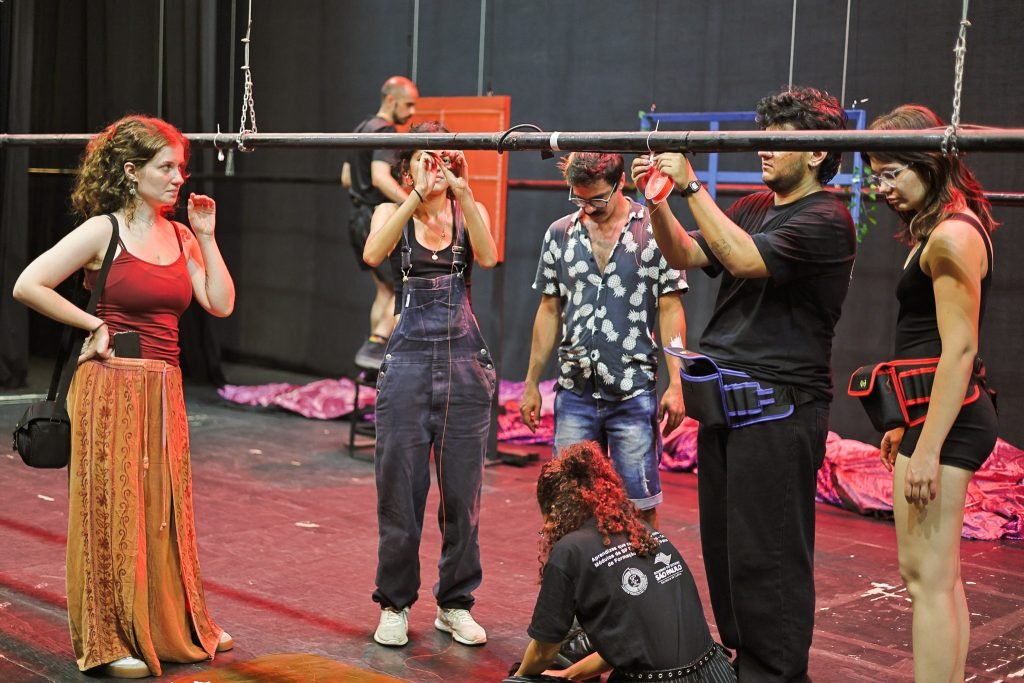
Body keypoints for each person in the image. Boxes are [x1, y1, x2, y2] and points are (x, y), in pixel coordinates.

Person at [631, 86, 856, 681]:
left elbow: (747, 260)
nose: (763, 147)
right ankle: (744, 661)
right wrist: (658, 200)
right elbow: (687, 249)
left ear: (815, 153)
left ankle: (776, 673)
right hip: (729, 406)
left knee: (770, 558)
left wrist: (692, 187)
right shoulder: (757, 204)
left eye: (780, 137)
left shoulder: (827, 217)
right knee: (728, 553)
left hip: (780, 411)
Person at [12, 115, 235, 679]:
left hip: (164, 388)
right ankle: (109, 640)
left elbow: (219, 302)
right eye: (167, 167)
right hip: (109, 387)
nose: (178, 177)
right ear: (132, 172)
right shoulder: (101, 232)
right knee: (109, 512)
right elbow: (28, 283)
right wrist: (93, 324)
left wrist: (206, 237)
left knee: (162, 511)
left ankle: (171, 625)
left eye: (180, 167)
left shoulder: (181, 235)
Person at [866, 105, 999, 682]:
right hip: (934, 415)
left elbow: (959, 351)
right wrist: (904, 423)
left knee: (924, 579)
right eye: (876, 174)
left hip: (948, 422)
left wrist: (927, 447)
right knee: (939, 580)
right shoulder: (945, 228)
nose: (882, 187)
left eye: (892, 172)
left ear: (929, 162)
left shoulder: (948, 237)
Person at [362, 120, 498, 648]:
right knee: (399, 492)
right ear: (408, 165)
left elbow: (487, 256)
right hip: (408, 369)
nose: (435, 166)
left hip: (465, 368)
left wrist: (463, 188)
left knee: (462, 497)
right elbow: (374, 254)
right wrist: (414, 194)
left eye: (443, 157)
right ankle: (394, 603)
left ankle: (456, 602)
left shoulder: (469, 213)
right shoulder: (389, 213)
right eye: (425, 157)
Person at [520, 152, 687, 528]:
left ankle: (641, 585)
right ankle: (573, 585)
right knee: (566, 506)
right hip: (574, 391)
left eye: (596, 199)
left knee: (639, 508)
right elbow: (549, 309)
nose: (588, 208)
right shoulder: (560, 232)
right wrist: (531, 383)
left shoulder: (655, 228)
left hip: (631, 390)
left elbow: (671, 308)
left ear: (620, 183)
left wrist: (677, 383)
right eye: (578, 199)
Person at [512, 441, 736, 683]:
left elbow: (543, 653)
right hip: (717, 673)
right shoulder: (642, 532)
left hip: (656, 679)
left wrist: (519, 678)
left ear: (553, 510)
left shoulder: (569, 550)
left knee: (524, 674)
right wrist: (569, 675)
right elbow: (631, 644)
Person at [342, 75, 419, 371]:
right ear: (391, 100)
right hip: (377, 219)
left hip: (357, 218)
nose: (412, 112)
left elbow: (347, 177)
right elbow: (379, 176)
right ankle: (374, 348)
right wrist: (413, 202)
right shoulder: (386, 131)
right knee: (402, 285)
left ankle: (371, 362)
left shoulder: (361, 129)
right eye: (408, 105)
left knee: (385, 290)